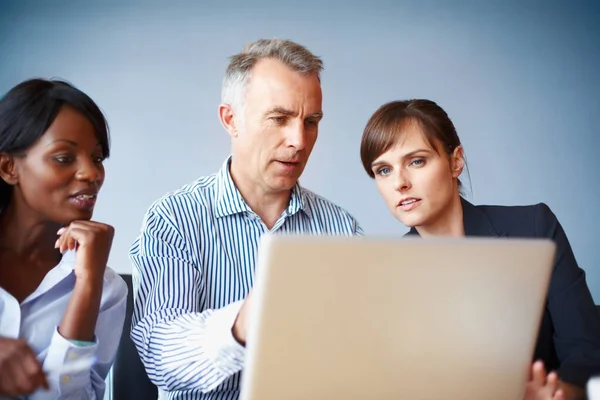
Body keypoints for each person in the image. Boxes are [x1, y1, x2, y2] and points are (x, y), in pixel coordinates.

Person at [129, 38, 362, 399]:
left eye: (311, 122)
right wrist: (240, 326)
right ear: (230, 119)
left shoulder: (341, 229)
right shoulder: (173, 219)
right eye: (279, 119)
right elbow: (161, 356)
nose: (299, 140)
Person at [359, 98, 600, 400]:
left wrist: (557, 393)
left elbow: (586, 353)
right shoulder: (387, 278)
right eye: (383, 170)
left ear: (455, 161)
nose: (399, 183)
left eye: (416, 161)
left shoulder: (535, 227)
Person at [0, 78, 127, 399]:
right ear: (8, 167)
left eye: (97, 158)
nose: (91, 173)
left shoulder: (107, 288)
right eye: (64, 158)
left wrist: (87, 284)